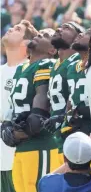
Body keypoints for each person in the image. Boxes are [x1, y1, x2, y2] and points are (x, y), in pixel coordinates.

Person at [1, 27, 61, 192]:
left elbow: (41, 110)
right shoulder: (22, 68)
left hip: (41, 144)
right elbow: (12, 106)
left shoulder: (47, 64)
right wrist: (7, 126)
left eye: (47, 35)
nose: (40, 34)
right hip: (22, 146)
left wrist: (19, 132)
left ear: (52, 49)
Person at [0, 20, 35, 192]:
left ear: (26, 43)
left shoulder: (29, 70)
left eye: (17, 29)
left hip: (17, 152)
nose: (10, 28)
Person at [43, 22, 84, 155]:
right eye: (60, 27)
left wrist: (64, 116)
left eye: (66, 28)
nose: (59, 29)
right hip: (59, 134)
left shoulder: (78, 60)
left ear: (78, 37)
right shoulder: (56, 65)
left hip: (75, 131)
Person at [62, 30, 91, 138]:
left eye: (86, 33)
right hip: (76, 124)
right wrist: (67, 117)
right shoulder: (71, 66)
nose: (80, 34)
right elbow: (71, 97)